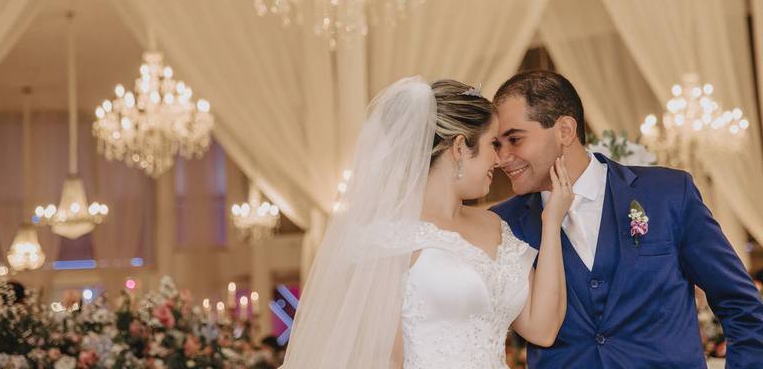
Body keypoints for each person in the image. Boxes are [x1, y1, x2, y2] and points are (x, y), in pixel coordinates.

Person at [282, 77, 574, 368]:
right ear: (460, 148)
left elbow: (543, 329)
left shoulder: (494, 225)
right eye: (492, 144)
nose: (498, 160)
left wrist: (551, 224)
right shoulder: (388, 236)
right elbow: (382, 358)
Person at [490, 70, 763, 368]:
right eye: (496, 145)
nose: (502, 158)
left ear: (565, 131)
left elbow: (741, 305)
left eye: (514, 139)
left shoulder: (668, 194)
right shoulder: (500, 224)